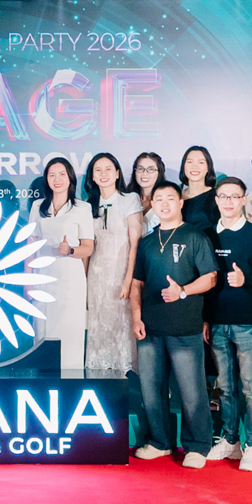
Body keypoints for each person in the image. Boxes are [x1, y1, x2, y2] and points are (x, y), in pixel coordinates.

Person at [130, 182, 218, 467]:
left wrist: (182, 291)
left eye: (170, 198)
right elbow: (137, 283)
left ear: (181, 203)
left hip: (185, 327)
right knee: (151, 390)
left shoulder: (195, 236)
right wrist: (136, 315)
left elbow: (211, 278)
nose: (164, 203)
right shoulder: (147, 242)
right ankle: (160, 442)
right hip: (150, 328)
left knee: (192, 392)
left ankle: (198, 446)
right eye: (159, 199)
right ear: (152, 204)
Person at [205, 177, 252, 470]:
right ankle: (230, 440)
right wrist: (205, 318)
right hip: (217, 323)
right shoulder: (208, 235)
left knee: (251, 387)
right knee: (225, 387)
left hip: (248, 323)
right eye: (223, 196)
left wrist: (246, 279)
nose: (229, 201)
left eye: (235, 196)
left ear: (244, 200)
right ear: (216, 200)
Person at [30, 157, 94, 372]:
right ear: (46, 179)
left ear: (70, 178)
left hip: (70, 277)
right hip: (42, 275)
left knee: (69, 333)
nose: (57, 179)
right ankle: (43, 380)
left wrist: (71, 250)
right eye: (52, 175)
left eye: (61, 174)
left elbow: (88, 247)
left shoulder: (82, 208)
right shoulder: (38, 206)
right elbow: (30, 245)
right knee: (42, 330)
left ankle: (70, 381)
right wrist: (28, 281)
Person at [83, 152, 144, 377]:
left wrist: (129, 279)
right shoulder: (87, 206)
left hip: (122, 274)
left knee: (123, 329)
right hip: (96, 277)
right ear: (92, 176)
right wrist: (84, 282)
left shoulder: (129, 200)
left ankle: (128, 382)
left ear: (117, 173)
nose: (103, 174)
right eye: (98, 170)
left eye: (108, 169)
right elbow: (87, 248)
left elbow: (135, 244)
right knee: (99, 328)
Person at [177, 146, 219, 231]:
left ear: (208, 167)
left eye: (201, 162)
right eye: (190, 162)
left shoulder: (217, 196)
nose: (194, 166)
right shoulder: (175, 196)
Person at [131, 152, 168, 231]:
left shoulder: (167, 199)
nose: (145, 173)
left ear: (159, 172)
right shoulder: (127, 197)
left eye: (151, 169)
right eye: (140, 169)